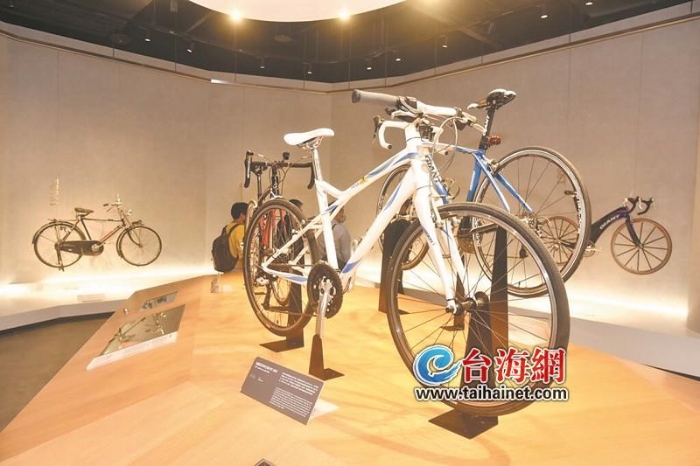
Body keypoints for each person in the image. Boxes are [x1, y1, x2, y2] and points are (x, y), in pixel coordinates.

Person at [227, 202, 248, 268]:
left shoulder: (227, 227)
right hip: (238, 269)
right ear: (242, 215)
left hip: (228, 267)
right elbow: (243, 252)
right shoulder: (240, 229)